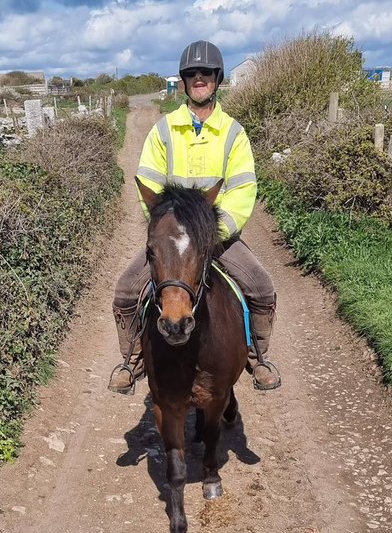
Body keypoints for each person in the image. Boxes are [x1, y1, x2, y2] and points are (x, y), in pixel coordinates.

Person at [109, 40, 281, 393]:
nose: (199, 78)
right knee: (126, 291)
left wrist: (213, 233)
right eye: (192, 74)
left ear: (217, 79)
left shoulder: (234, 133)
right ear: (184, 82)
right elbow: (150, 186)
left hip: (216, 237)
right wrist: (167, 230)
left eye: (205, 73)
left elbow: (243, 189)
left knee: (261, 288)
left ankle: (256, 356)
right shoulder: (164, 131)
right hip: (174, 240)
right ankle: (133, 360)